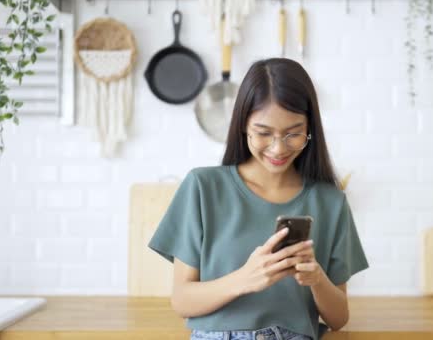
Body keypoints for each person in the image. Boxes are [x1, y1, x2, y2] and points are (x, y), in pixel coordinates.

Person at [148, 58, 369, 340]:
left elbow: (339, 318)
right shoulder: (203, 187)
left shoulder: (330, 201)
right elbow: (181, 301)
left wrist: (316, 278)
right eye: (264, 133)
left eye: (293, 133)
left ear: (310, 129)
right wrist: (246, 278)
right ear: (243, 125)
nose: (278, 148)